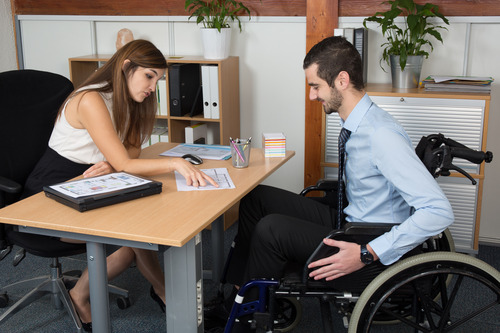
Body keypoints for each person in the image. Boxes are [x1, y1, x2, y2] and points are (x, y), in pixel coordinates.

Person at [206, 36, 454, 329]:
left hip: (366, 243)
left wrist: (367, 252)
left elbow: (439, 211)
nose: (312, 96)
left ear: (341, 80)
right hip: (349, 217)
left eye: (315, 86)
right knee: (255, 199)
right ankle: (238, 295)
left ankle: (248, 315)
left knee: (271, 229)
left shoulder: (381, 135)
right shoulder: (358, 124)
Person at [21, 39, 218, 332]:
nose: (153, 86)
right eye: (149, 76)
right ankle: (150, 294)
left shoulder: (129, 100)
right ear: (127, 67)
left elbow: (132, 151)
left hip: (95, 180)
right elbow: (128, 160)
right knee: (131, 241)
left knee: (139, 230)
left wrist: (115, 164)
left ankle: (154, 294)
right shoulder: (91, 99)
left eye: (158, 79)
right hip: (54, 191)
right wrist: (174, 163)